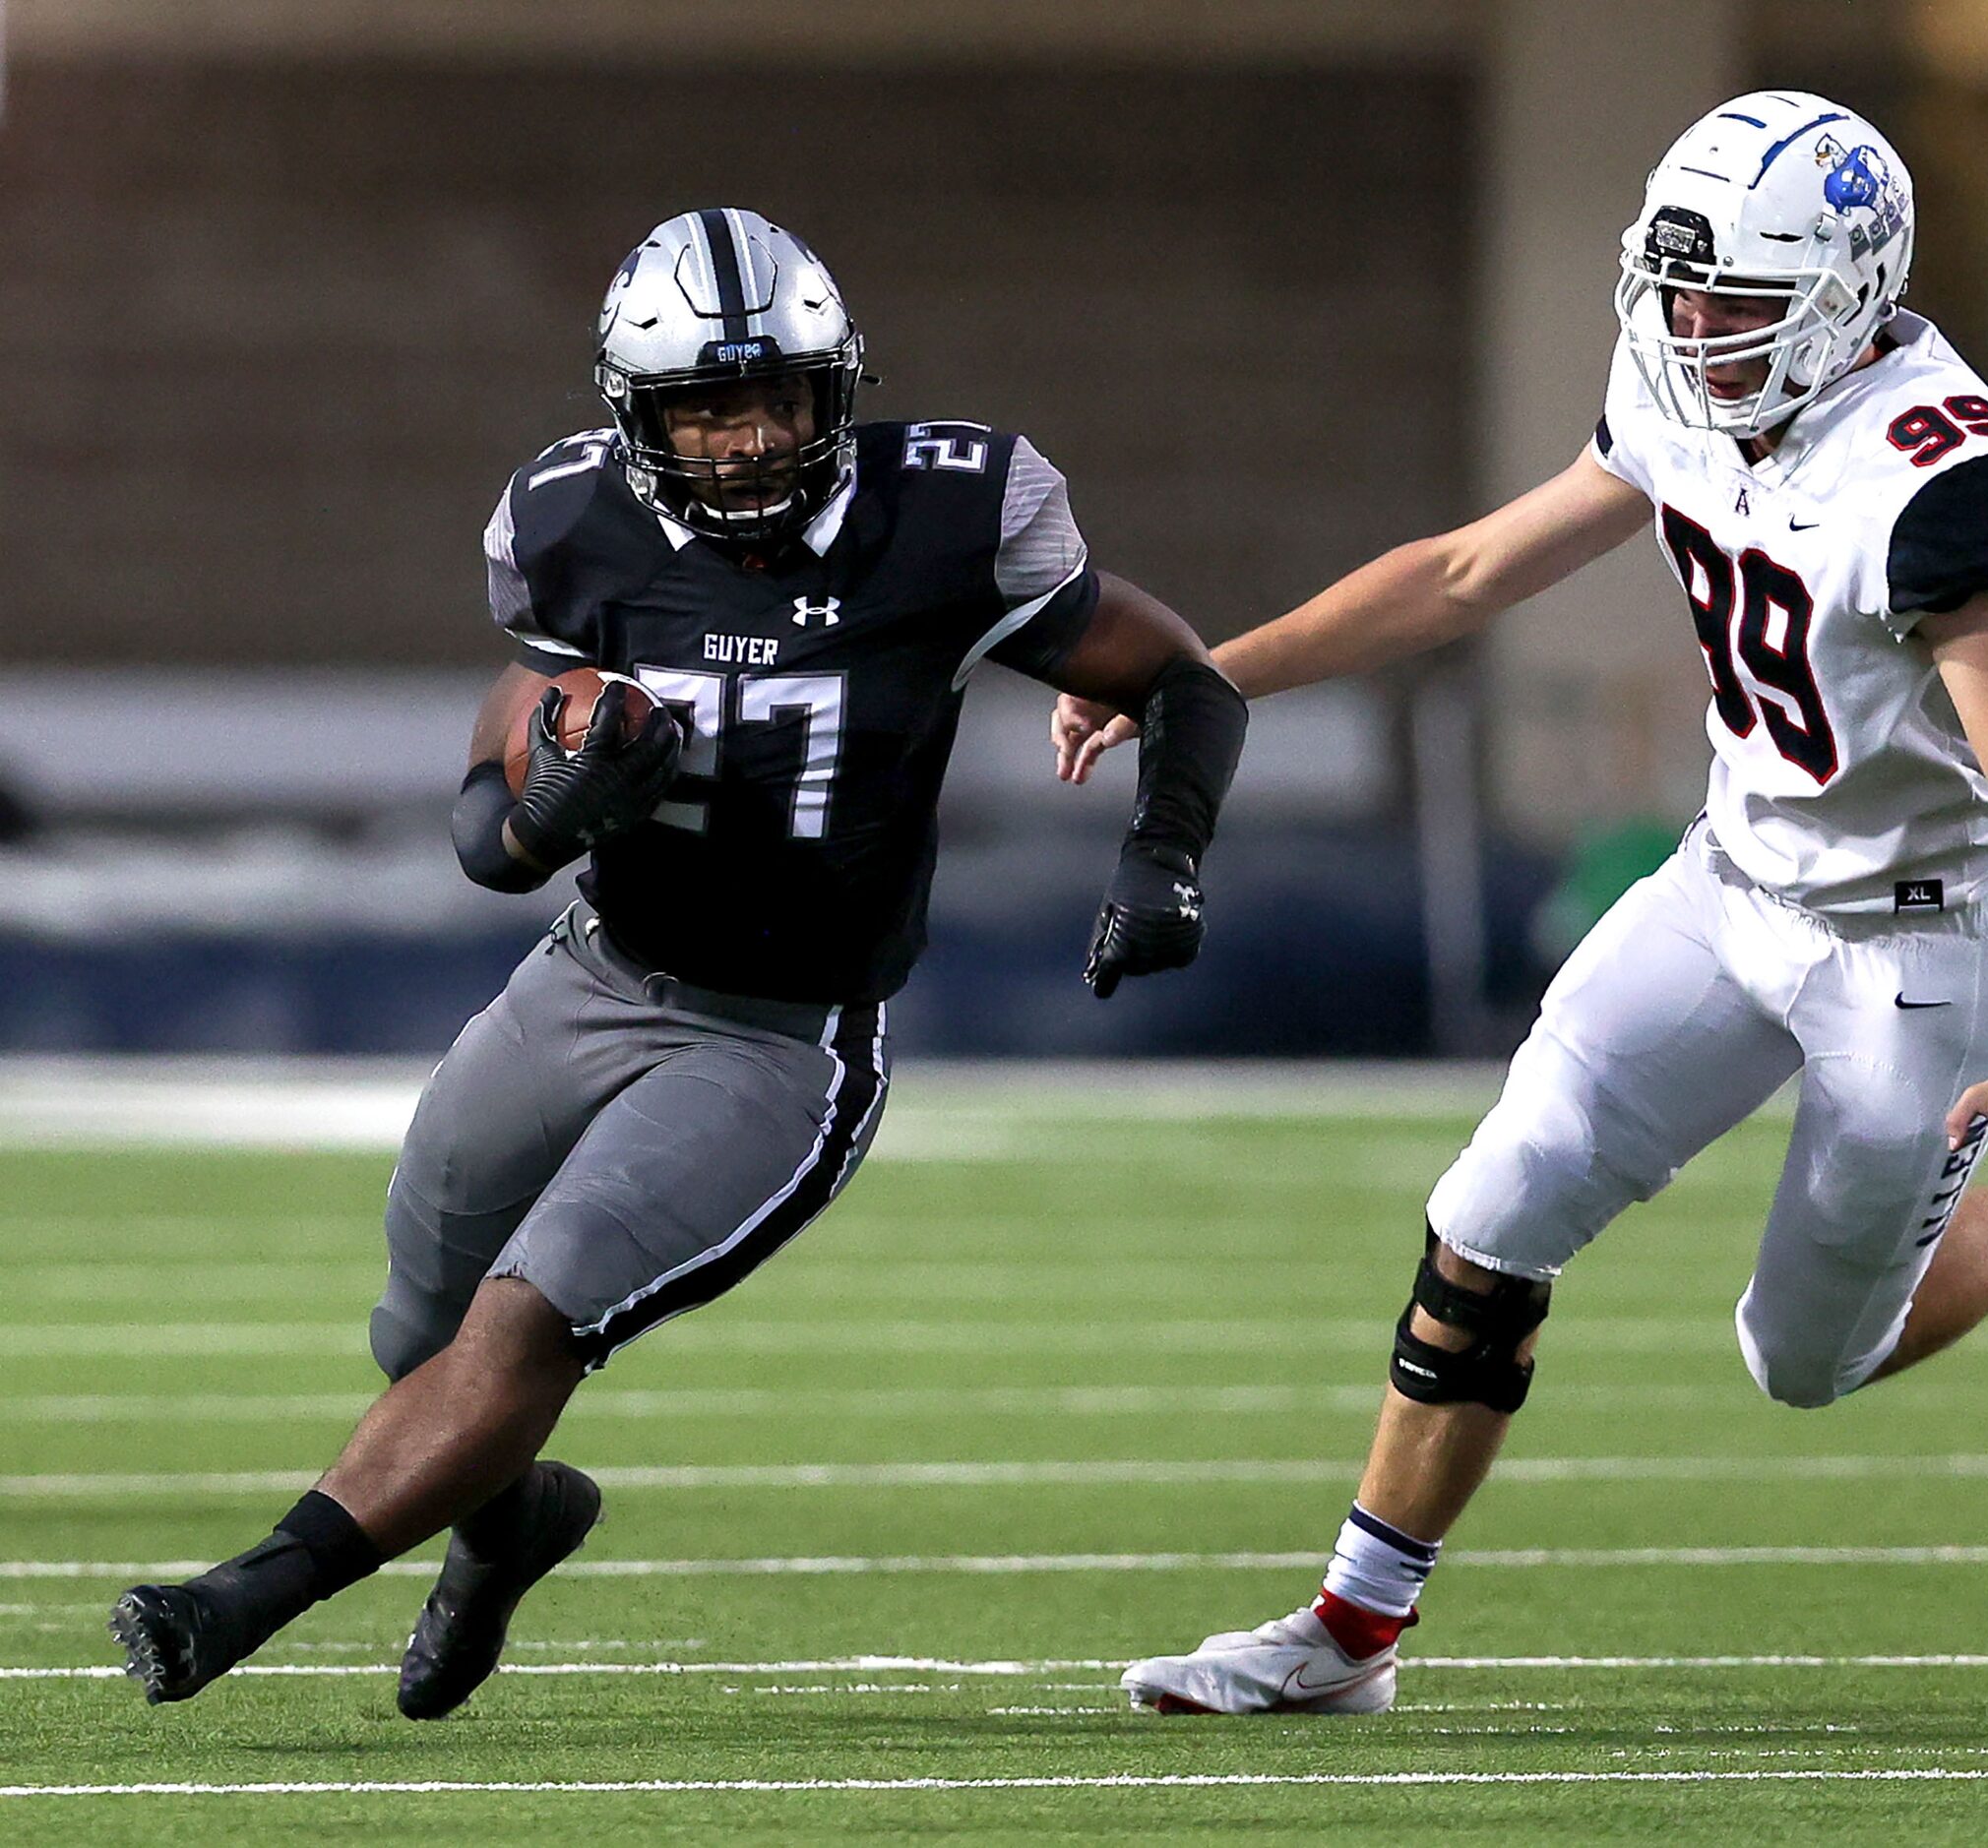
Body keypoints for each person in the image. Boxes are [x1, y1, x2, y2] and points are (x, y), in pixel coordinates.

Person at [1053, 93, 1988, 1716]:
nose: (1694, 332)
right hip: (1729, 885)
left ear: (1844, 291)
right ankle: (1347, 1632)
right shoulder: (1679, 387)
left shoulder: (1941, 479)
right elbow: (1467, 573)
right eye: (1680, 293)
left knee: (1804, 1360)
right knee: (1494, 1207)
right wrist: (1202, 679)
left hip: (1920, 941)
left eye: (1736, 302)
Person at [112, 209, 1247, 1712]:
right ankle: (513, 1517)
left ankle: (244, 1595)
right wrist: (545, 814)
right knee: (420, 1333)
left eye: (777, 396)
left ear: (834, 389)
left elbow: (1181, 675)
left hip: (777, 1041)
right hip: (591, 975)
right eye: (707, 407)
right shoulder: (572, 526)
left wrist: (1166, 851)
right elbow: (479, 828)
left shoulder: (948, 515)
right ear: (638, 418)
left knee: (532, 1314)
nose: (750, 439)